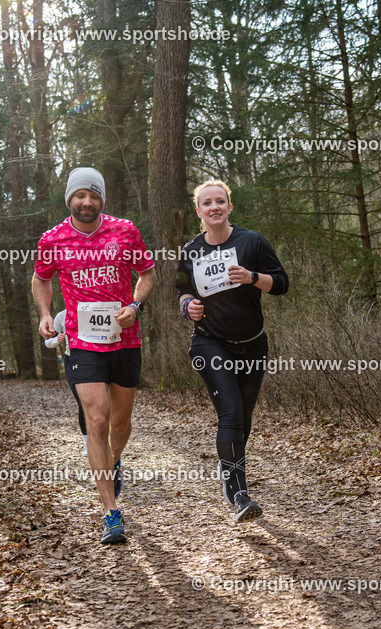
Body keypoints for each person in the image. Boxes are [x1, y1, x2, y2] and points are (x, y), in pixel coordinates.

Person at [32, 167, 155, 545]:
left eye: (94, 196)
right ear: (69, 199)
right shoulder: (52, 239)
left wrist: (135, 305)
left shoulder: (125, 231)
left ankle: (113, 460)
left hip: (125, 340)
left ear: (102, 199)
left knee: (120, 423)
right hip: (82, 342)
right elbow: (41, 278)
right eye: (80, 195)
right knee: (97, 420)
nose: (87, 202)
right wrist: (45, 314)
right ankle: (111, 513)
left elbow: (147, 273)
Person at [175, 179, 289, 522]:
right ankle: (239, 494)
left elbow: (281, 284)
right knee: (231, 414)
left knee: (244, 419)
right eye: (207, 203)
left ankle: (228, 470)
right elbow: (182, 291)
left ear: (229, 206)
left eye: (220, 201)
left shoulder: (251, 242)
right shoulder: (191, 251)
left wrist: (252, 277)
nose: (214, 207)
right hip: (209, 342)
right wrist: (188, 307)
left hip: (252, 343)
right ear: (199, 211)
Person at [54, 309, 87, 456]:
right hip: (71, 358)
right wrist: (57, 339)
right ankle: (88, 443)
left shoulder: (92, 307)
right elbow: (48, 341)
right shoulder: (61, 316)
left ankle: (105, 441)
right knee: (82, 402)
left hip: (93, 356)